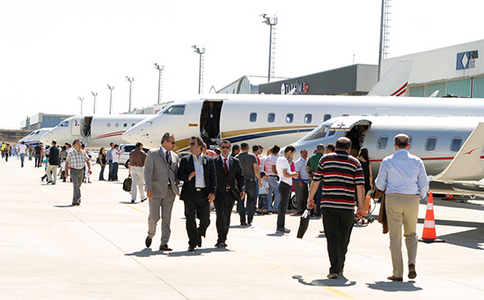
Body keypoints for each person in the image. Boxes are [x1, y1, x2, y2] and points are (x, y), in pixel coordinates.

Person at [308, 137, 365, 279]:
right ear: (349, 148)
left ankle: (335, 268)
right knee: (344, 239)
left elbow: (316, 181)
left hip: (328, 205)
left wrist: (310, 199)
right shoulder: (355, 162)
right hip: (347, 207)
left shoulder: (325, 160)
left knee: (332, 238)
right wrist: (361, 206)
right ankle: (339, 267)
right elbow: (360, 186)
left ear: (335, 146)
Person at [375, 133, 429, 282]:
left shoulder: (387, 161)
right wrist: (420, 196)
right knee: (411, 234)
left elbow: (380, 184)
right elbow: (424, 183)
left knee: (395, 238)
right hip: (412, 199)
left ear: (395, 145)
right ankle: (412, 262)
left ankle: (398, 272)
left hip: (394, 198)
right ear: (409, 145)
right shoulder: (417, 161)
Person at [177, 136, 217, 252]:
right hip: (190, 194)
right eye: (190, 144)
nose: (190, 146)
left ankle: (199, 233)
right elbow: (179, 175)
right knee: (190, 219)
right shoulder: (186, 160)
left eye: (193, 144)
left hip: (204, 194)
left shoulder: (209, 160)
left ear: (200, 146)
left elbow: (213, 178)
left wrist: (213, 192)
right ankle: (192, 242)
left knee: (206, 219)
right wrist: (187, 177)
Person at [144, 133, 180, 251]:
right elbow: (148, 172)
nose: (174, 145)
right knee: (154, 217)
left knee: (167, 218)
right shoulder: (153, 154)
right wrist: (148, 188)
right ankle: (150, 234)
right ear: (165, 142)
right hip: (155, 190)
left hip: (170, 191)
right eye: (172, 142)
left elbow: (176, 174)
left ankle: (164, 242)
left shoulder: (175, 156)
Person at [213, 140, 245, 248]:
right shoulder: (214, 162)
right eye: (223, 147)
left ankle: (224, 238)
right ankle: (220, 238)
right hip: (218, 193)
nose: (225, 149)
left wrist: (242, 189)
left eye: (227, 147)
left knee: (227, 216)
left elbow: (240, 177)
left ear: (230, 149)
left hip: (230, 193)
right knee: (220, 216)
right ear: (220, 149)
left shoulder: (235, 162)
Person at [236, 142, 262, 226]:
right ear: (248, 148)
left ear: (240, 148)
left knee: (241, 200)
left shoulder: (237, 158)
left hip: (240, 182)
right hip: (251, 180)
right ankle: (250, 219)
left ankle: (242, 220)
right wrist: (259, 180)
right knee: (251, 200)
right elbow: (256, 169)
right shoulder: (252, 156)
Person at [275, 145, 299, 233]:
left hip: (283, 183)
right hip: (285, 184)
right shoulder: (284, 160)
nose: (292, 155)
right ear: (289, 151)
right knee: (283, 207)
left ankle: (280, 226)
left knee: (282, 206)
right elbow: (285, 174)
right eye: (292, 153)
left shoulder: (280, 159)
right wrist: (294, 174)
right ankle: (280, 226)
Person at [66, 139, 92, 206]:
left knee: (78, 186)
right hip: (73, 171)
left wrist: (90, 168)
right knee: (76, 185)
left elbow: (87, 161)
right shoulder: (71, 153)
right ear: (74, 145)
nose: (80, 144)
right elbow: (67, 162)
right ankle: (78, 199)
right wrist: (66, 172)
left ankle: (74, 200)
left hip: (81, 171)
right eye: (78, 143)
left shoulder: (83, 152)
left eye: (80, 143)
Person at [306, 144, 325, 217]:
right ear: (323, 150)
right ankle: (318, 213)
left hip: (312, 180)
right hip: (321, 180)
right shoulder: (323, 158)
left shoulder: (311, 157)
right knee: (320, 197)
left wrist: (310, 174)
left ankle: (311, 212)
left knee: (312, 196)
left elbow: (307, 167)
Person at [263, 145, 280, 213]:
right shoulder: (274, 159)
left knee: (268, 192)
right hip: (272, 176)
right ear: (277, 152)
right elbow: (274, 169)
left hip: (267, 176)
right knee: (278, 192)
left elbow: (264, 169)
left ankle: (268, 207)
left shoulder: (266, 158)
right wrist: (278, 174)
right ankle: (275, 207)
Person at [293, 148, 310, 215]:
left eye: (306, 153)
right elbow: (297, 172)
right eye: (304, 153)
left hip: (305, 181)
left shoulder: (306, 161)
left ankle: (303, 209)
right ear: (301, 154)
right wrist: (300, 181)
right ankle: (299, 210)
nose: (305, 154)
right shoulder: (299, 161)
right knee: (300, 196)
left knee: (305, 195)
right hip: (299, 181)